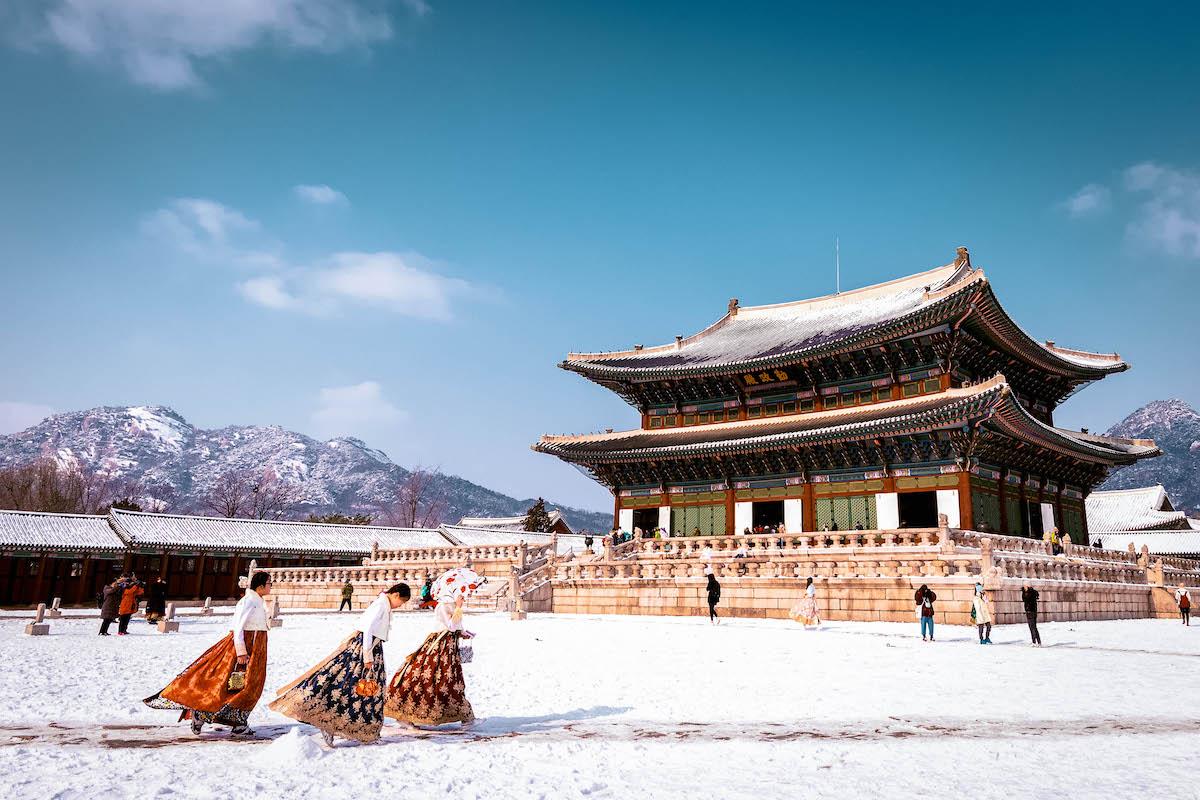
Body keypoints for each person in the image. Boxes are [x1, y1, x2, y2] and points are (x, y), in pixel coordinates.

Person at [271, 583, 412, 745]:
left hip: (373, 647)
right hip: (366, 648)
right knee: (354, 686)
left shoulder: (383, 605)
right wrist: (367, 656)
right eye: (401, 601)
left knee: (361, 689)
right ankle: (331, 722)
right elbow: (367, 630)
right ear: (395, 595)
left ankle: (361, 729)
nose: (400, 605)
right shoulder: (380, 605)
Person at [144, 571, 273, 736]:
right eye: (269, 583)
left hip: (257, 646)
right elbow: (238, 627)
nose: (271, 586)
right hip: (248, 646)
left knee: (251, 685)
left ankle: (236, 721)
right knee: (237, 685)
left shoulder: (257, 601)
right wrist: (241, 651)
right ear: (261, 585)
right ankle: (206, 714)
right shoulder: (248, 601)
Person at [384, 567, 481, 727]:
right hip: (439, 646)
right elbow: (450, 626)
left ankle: (465, 716)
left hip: (449, 646)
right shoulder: (443, 606)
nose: (464, 595)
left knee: (451, 679)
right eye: (461, 592)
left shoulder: (450, 605)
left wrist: (464, 632)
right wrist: (458, 608)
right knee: (430, 677)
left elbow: (455, 627)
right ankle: (408, 713)